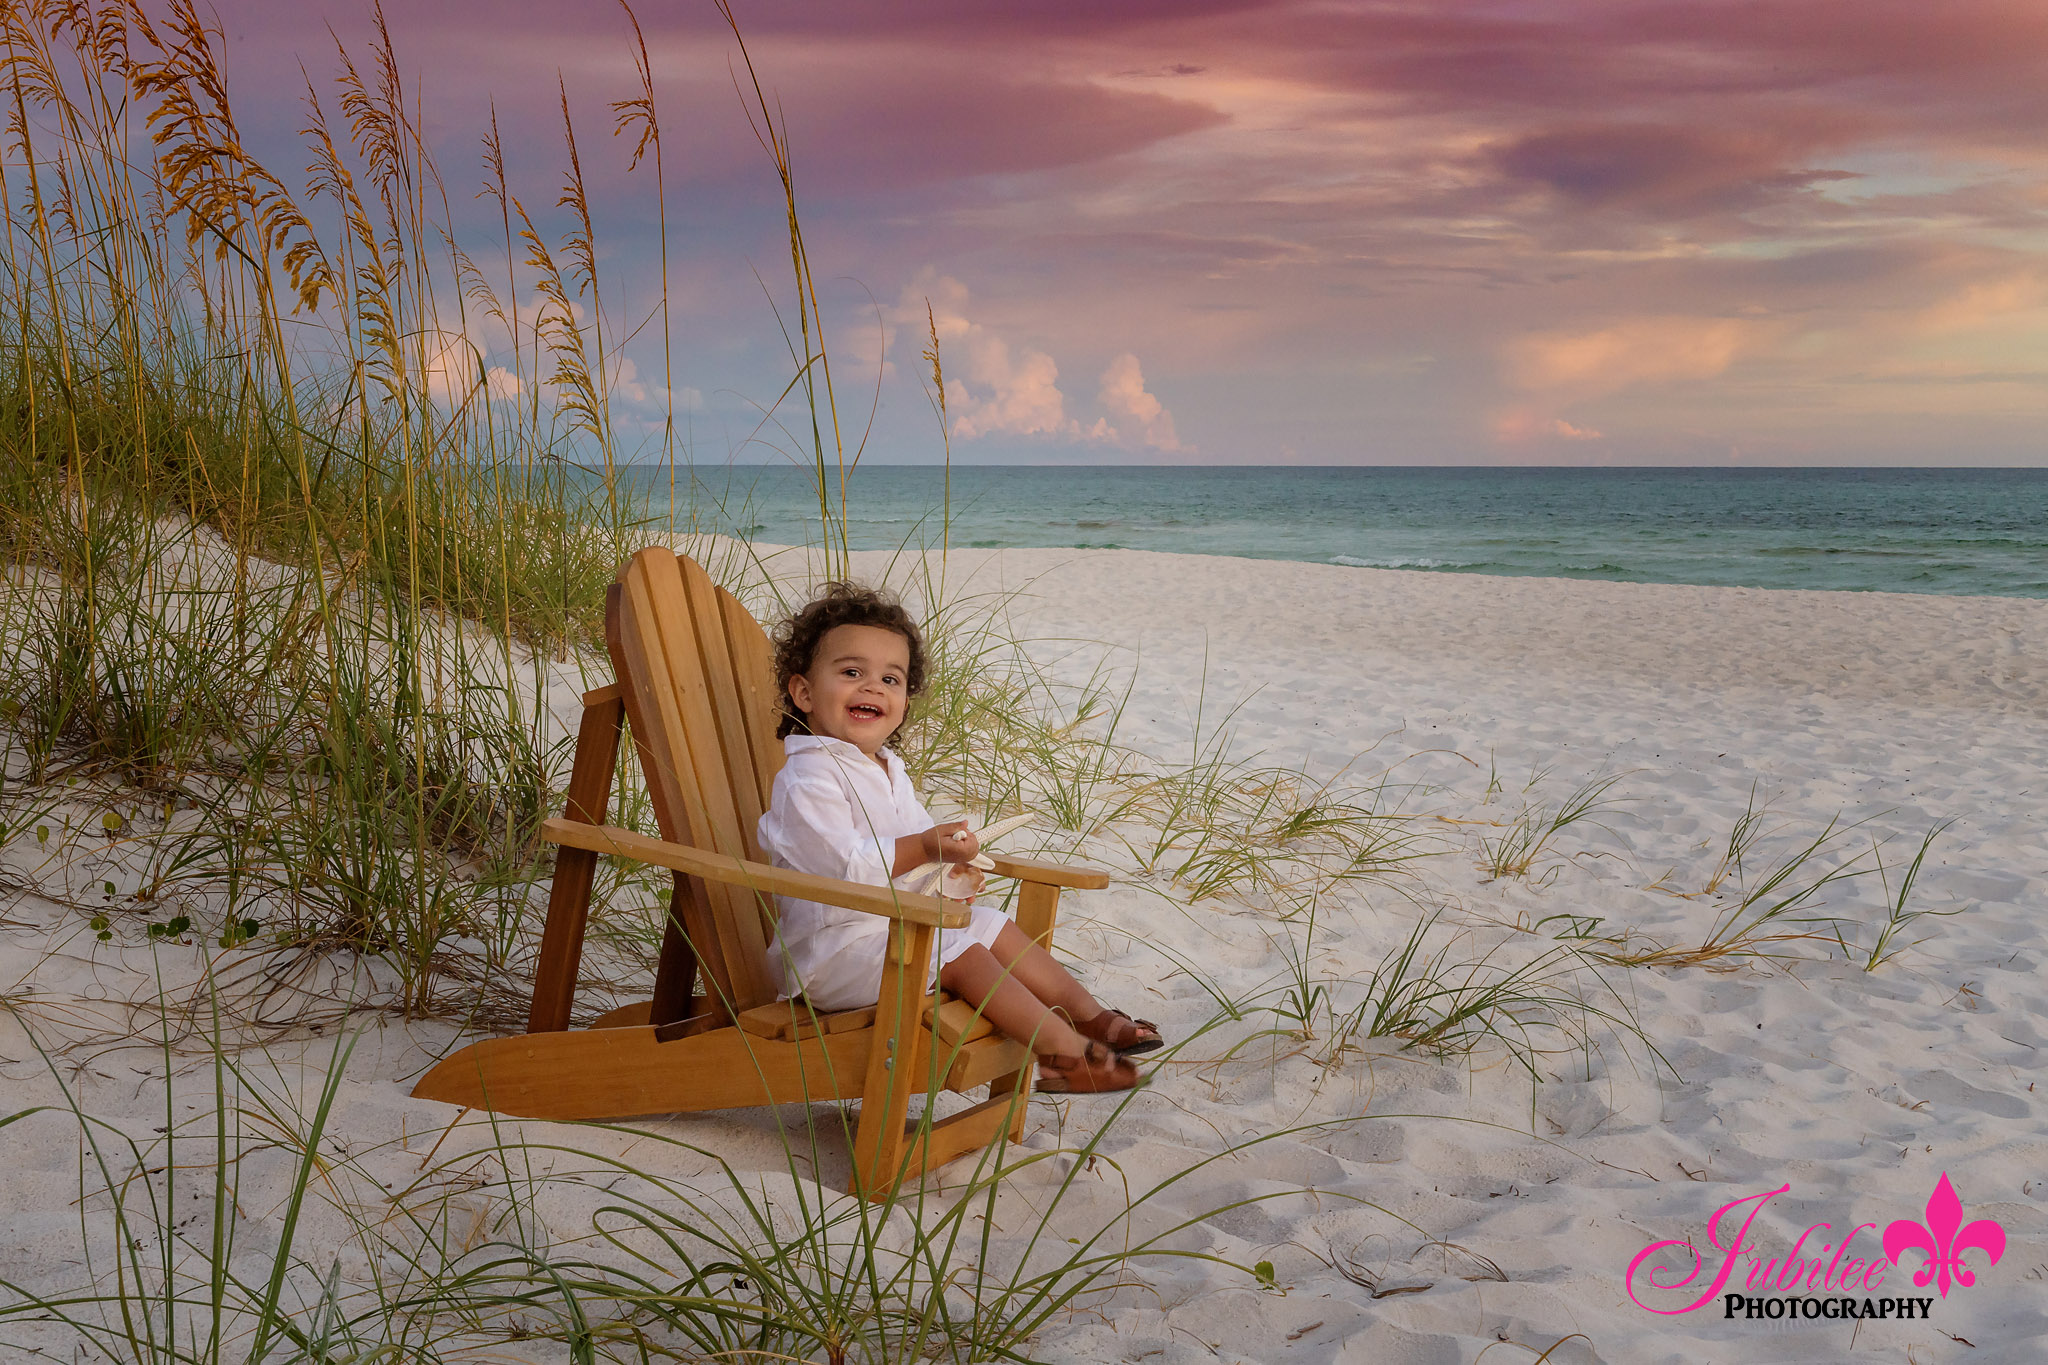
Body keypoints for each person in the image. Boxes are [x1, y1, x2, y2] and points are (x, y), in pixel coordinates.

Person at [757, 581, 1161, 1093]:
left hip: (893, 934)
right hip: (832, 957)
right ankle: (1064, 1057)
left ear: (905, 700)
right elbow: (847, 869)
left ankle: (1092, 1019)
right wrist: (927, 847)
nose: (873, 687)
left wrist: (951, 871)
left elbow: (916, 865)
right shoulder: (807, 779)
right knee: (961, 954)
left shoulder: (887, 771)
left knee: (992, 926)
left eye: (891, 678)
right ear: (804, 693)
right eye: (852, 672)